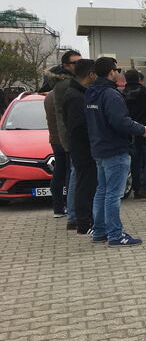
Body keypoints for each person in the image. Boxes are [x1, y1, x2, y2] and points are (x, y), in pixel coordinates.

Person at [85, 57, 146, 247]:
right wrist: (142, 129)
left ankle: (99, 231)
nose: (118, 73)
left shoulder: (91, 92)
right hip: (115, 149)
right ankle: (115, 235)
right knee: (113, 194)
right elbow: (120, 121)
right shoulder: (111, 94)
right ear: (111, 72)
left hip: (98, 148)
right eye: (117, 70)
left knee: (102, 191)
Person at [40, 50, 80, 219]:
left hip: (57, 138)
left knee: (61, 172)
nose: (79, 66)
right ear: (65, 66)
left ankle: (59, 208)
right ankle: (70, 211)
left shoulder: (51, 94)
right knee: (71, 174)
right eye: (75, 63)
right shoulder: (66, 88)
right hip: (65, 139)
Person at [60, 59, 97, 234]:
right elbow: (77, 127)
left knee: (87, 183)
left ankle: (87, 219)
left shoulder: (80, 92)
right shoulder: (75, 96)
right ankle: (84, 222)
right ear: (90, 74)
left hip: (84, 147)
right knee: (85, 184)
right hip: (83, 148)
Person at [122, 69, 146, 198]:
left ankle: (137, 188)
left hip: (130, 130)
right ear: (139, 78)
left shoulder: (122, 93)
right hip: (145, 129)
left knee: (135, 161)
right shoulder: (145, 92)